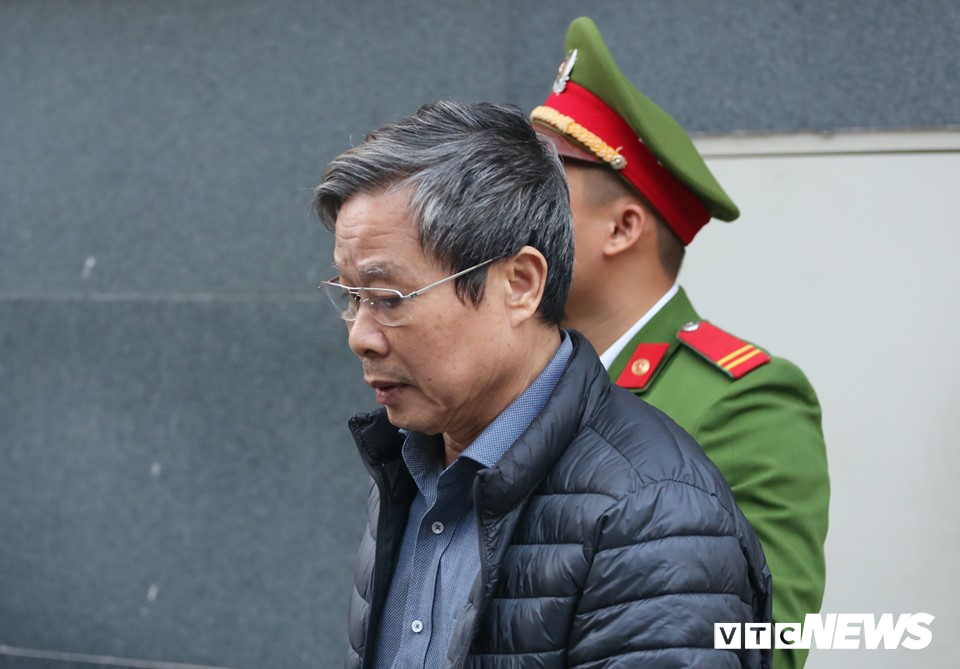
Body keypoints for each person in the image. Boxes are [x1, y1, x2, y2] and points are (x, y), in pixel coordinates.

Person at [313, 100, 771, 669]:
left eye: (388, 298)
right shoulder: (411, 462)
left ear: (521, 284)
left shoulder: (653, 510)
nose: (360, 336)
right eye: (351, 296)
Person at [530, 17, 830, 669]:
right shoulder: (516, 384)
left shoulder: (744, 400)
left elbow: (767, 641)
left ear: (622, 227)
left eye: (542, 192)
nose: (513, 216)